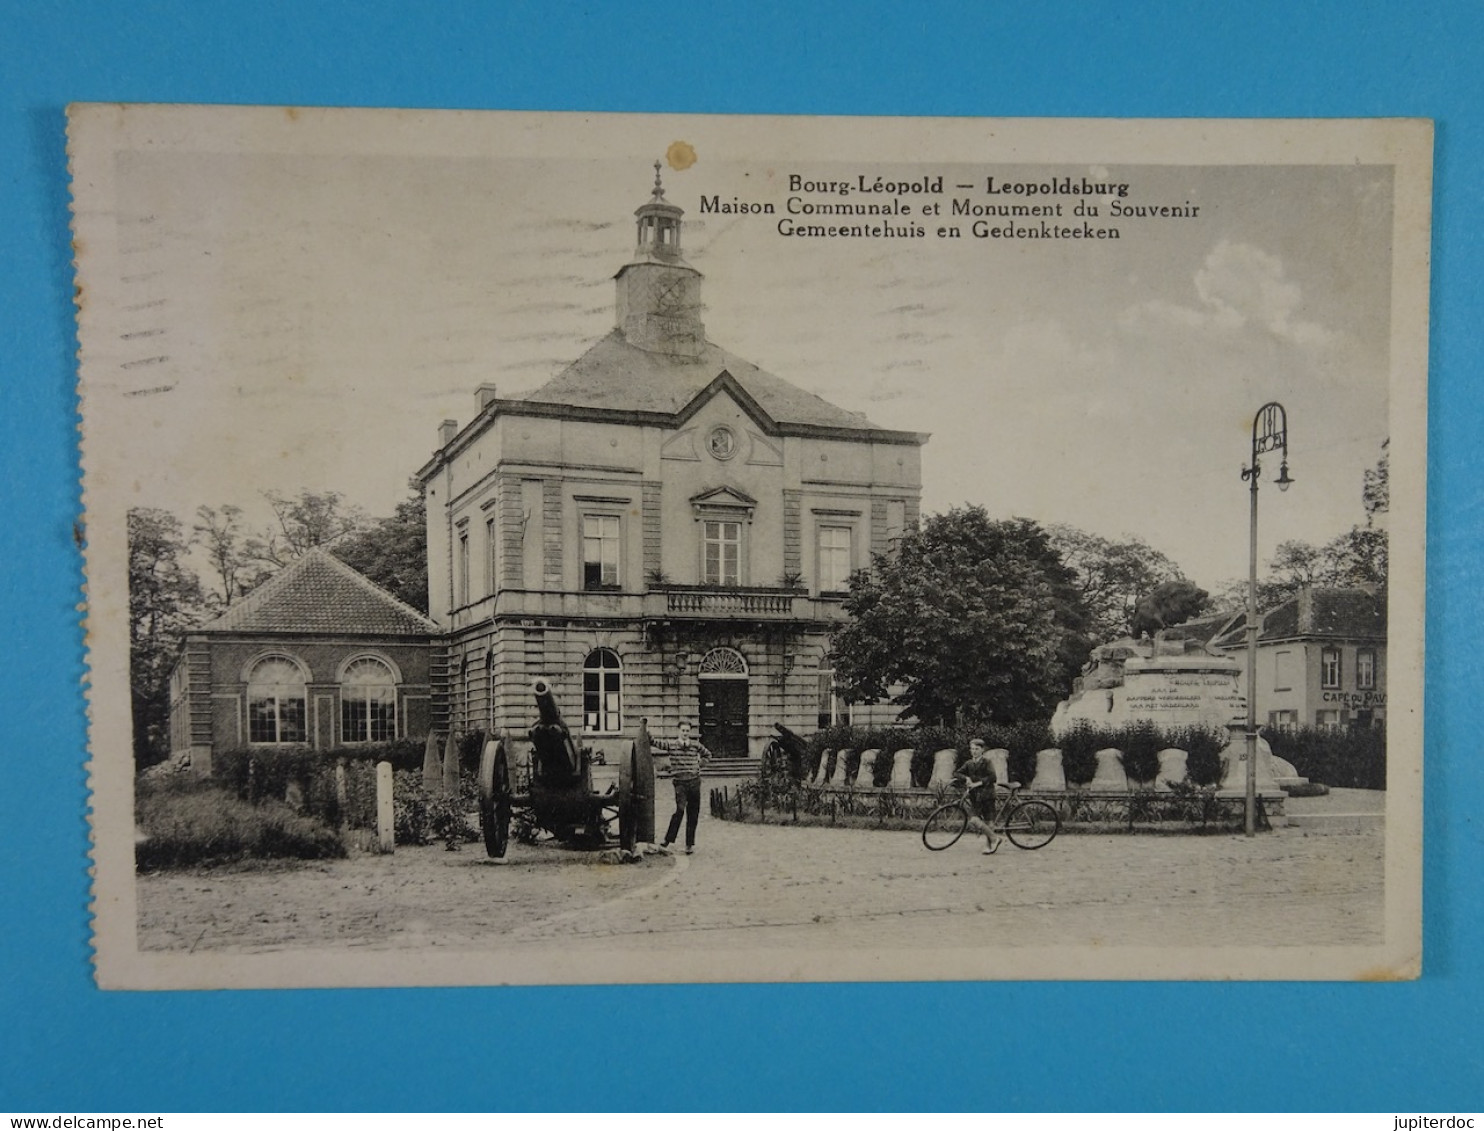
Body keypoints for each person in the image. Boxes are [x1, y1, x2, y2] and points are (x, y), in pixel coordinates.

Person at [653, 720, 712, 854]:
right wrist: (648, 736)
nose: (685, 733)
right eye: (683, 730)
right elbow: (658, 744)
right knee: (679, 810)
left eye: (687, 731)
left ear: (689, 732)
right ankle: (668, 840)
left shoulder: (695, 745)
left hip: (694, 782)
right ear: (678, 731)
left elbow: (708, 754)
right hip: (680, 783)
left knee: (693, 813)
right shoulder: (672, 745)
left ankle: (689, 844)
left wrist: (700, 765)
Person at [961, 737, 1003, 855]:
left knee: (988, 822)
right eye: (972, 749)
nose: (974, 751)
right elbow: (957, 772)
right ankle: (995, 839)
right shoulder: (969, 763)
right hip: (975, 797)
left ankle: (990, 844)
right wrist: (966, 778)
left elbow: (992, 777)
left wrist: (977, 784)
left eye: (977, 749)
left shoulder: (987, 762)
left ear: (982, 750)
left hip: (987, 795)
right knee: (975, 820)